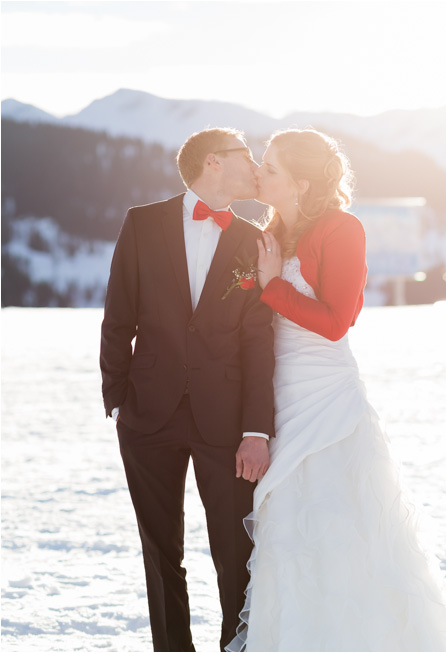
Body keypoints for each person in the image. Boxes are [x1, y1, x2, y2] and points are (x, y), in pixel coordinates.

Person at [228, 129, 446, 651]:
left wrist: (272, 286)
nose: (258, 174)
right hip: (277, 400)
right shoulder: (269, 230)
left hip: (326, 398)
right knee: (287, 533)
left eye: (269, 168)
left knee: (339, 530)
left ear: (301, 183)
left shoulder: (342, 229)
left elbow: (338, 321)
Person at [100, 128, 276, 650]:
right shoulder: (143, 223)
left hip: (226, 422)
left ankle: (235, 646)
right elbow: (118, 315)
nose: (256, 167)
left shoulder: (254, 240)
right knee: (159, 551)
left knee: (234, 551)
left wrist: (256, 429)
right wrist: (118, 398)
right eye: (248, 158)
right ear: (215, 163)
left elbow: (257, 342)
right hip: (146, 416)